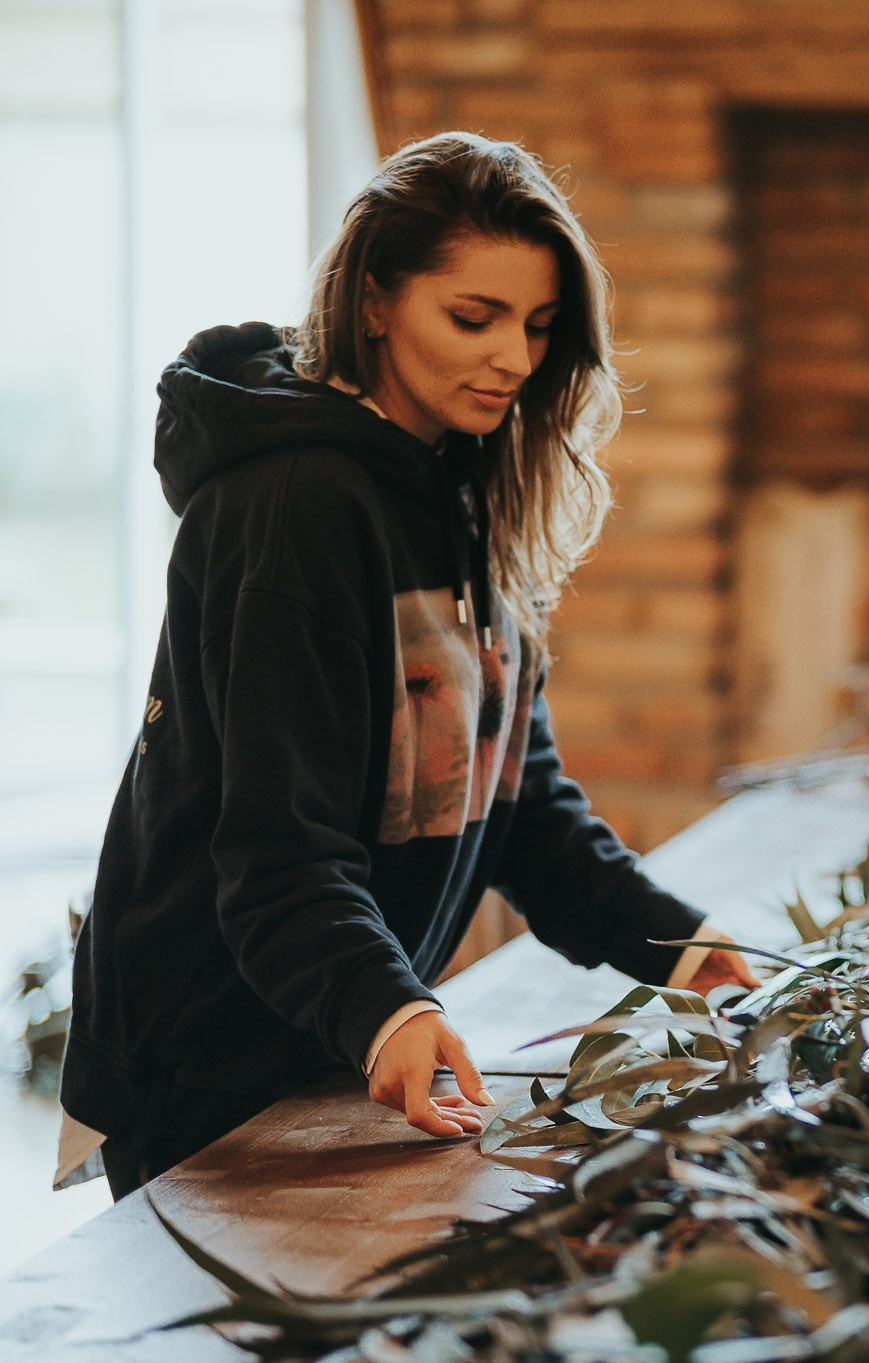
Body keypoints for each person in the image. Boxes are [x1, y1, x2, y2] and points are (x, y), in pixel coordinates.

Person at [59, 132, 756, 1199]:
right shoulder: (295, 505)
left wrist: (675, 942)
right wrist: (390, 1004)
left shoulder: (460, 488)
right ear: (376, 299)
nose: (514, 360)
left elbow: (516, 801)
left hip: (328, 1024)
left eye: (537, 326)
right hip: (211, 1051)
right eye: (472, 319)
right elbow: (275, 851)